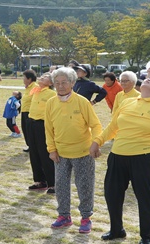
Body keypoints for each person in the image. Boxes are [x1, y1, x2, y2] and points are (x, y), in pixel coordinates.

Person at [90, 77, 150, 244]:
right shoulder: (127, 101)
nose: (148, 78)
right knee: (112, 194)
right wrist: (97, 141)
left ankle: (146, 235)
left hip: (144, 158)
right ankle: (117, 230)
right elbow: (113, 127)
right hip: (118, 155)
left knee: (144, 198)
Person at [45, 67, 102, 234]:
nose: (60, 86)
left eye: (64, 82)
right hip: (60, 153)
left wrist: (96, 143)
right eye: (57, 83)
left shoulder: (82, 102)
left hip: (83, 152)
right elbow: (48, 129)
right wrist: (51, 149)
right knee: (61, 186)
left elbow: (96, 125)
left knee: (84, 185)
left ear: (72, 83)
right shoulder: (51, 103)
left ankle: (86, 217)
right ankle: (64, 216)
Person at [27, 73, 56, 194]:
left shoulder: (52, 94)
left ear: (50, 83)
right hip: (31, 123)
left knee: (44, 153)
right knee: (33, 152)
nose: (41, 78)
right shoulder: (36, 91)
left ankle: (53, 183)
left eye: (45, 78)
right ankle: (39, 181)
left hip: (42, 125)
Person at [21, 70, 39, 152]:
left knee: (29, 130)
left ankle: (32, 146)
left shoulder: (35, 87)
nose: (23, 79)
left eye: (24, 77)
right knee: (25, 129)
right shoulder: (28, 87)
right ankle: (29, 145)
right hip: (24, 111)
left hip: (30, 112)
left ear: (29, 79)